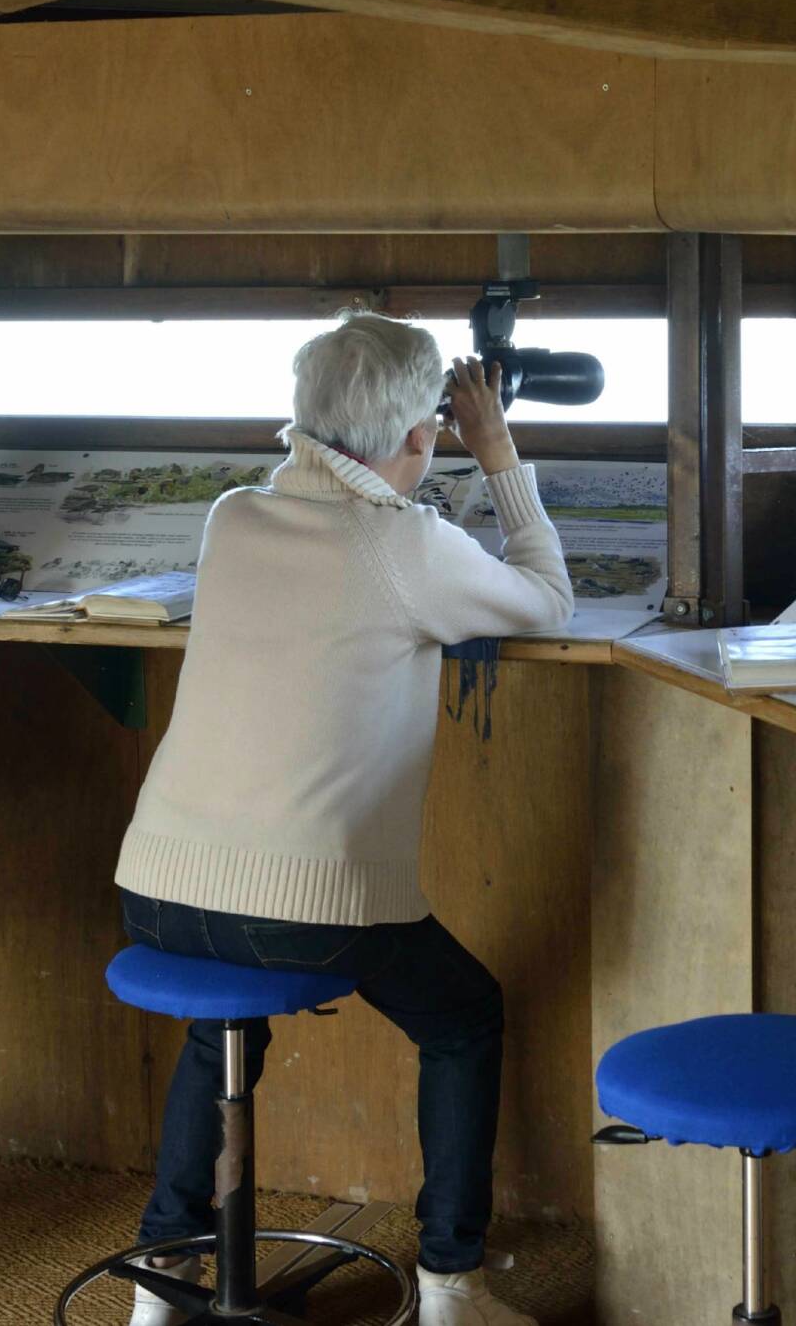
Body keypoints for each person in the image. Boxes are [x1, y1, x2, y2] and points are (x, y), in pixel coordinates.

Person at [114, 314, 572, 1326]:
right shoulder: (404, 542)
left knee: (217, 1027)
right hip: (302, 903)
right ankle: (452, 1283)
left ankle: (164, 1283)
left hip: (155, 892)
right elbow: (548, 600)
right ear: (422, 436)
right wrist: (498, 457)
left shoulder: (233, 515)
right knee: (463, 1017)